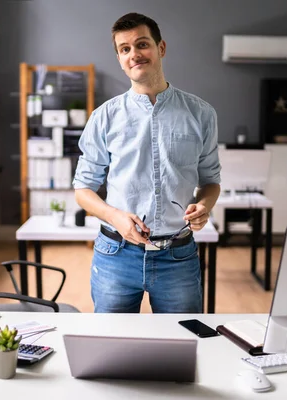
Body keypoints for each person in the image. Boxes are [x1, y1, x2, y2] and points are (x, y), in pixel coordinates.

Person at [72, 12, 221, 313]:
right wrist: (114, 216)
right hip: (115, 255)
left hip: (178, 258)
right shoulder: (104, 117)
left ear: (161, 48)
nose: (134, 54)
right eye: (125, 49)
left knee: (183, 346)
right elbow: (83, 188)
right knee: (111, 350)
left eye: (142, 44)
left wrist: (205, 205)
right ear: (119, 58)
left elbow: (210, 181)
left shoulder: (201, 114)